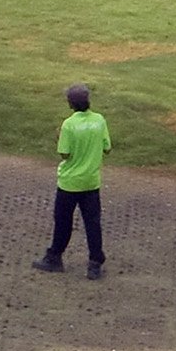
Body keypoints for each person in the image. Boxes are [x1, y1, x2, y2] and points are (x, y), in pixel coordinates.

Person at [36, 83, 108, 277]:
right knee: (92, 223)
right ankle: (95, 263)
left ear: (70, 104)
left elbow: (65, 154)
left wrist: (59, 138)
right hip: (91, 182)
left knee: (63, 221)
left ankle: (54, 257)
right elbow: (107, 147)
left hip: (69, 183)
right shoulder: (99, 120)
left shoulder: (68, 124)